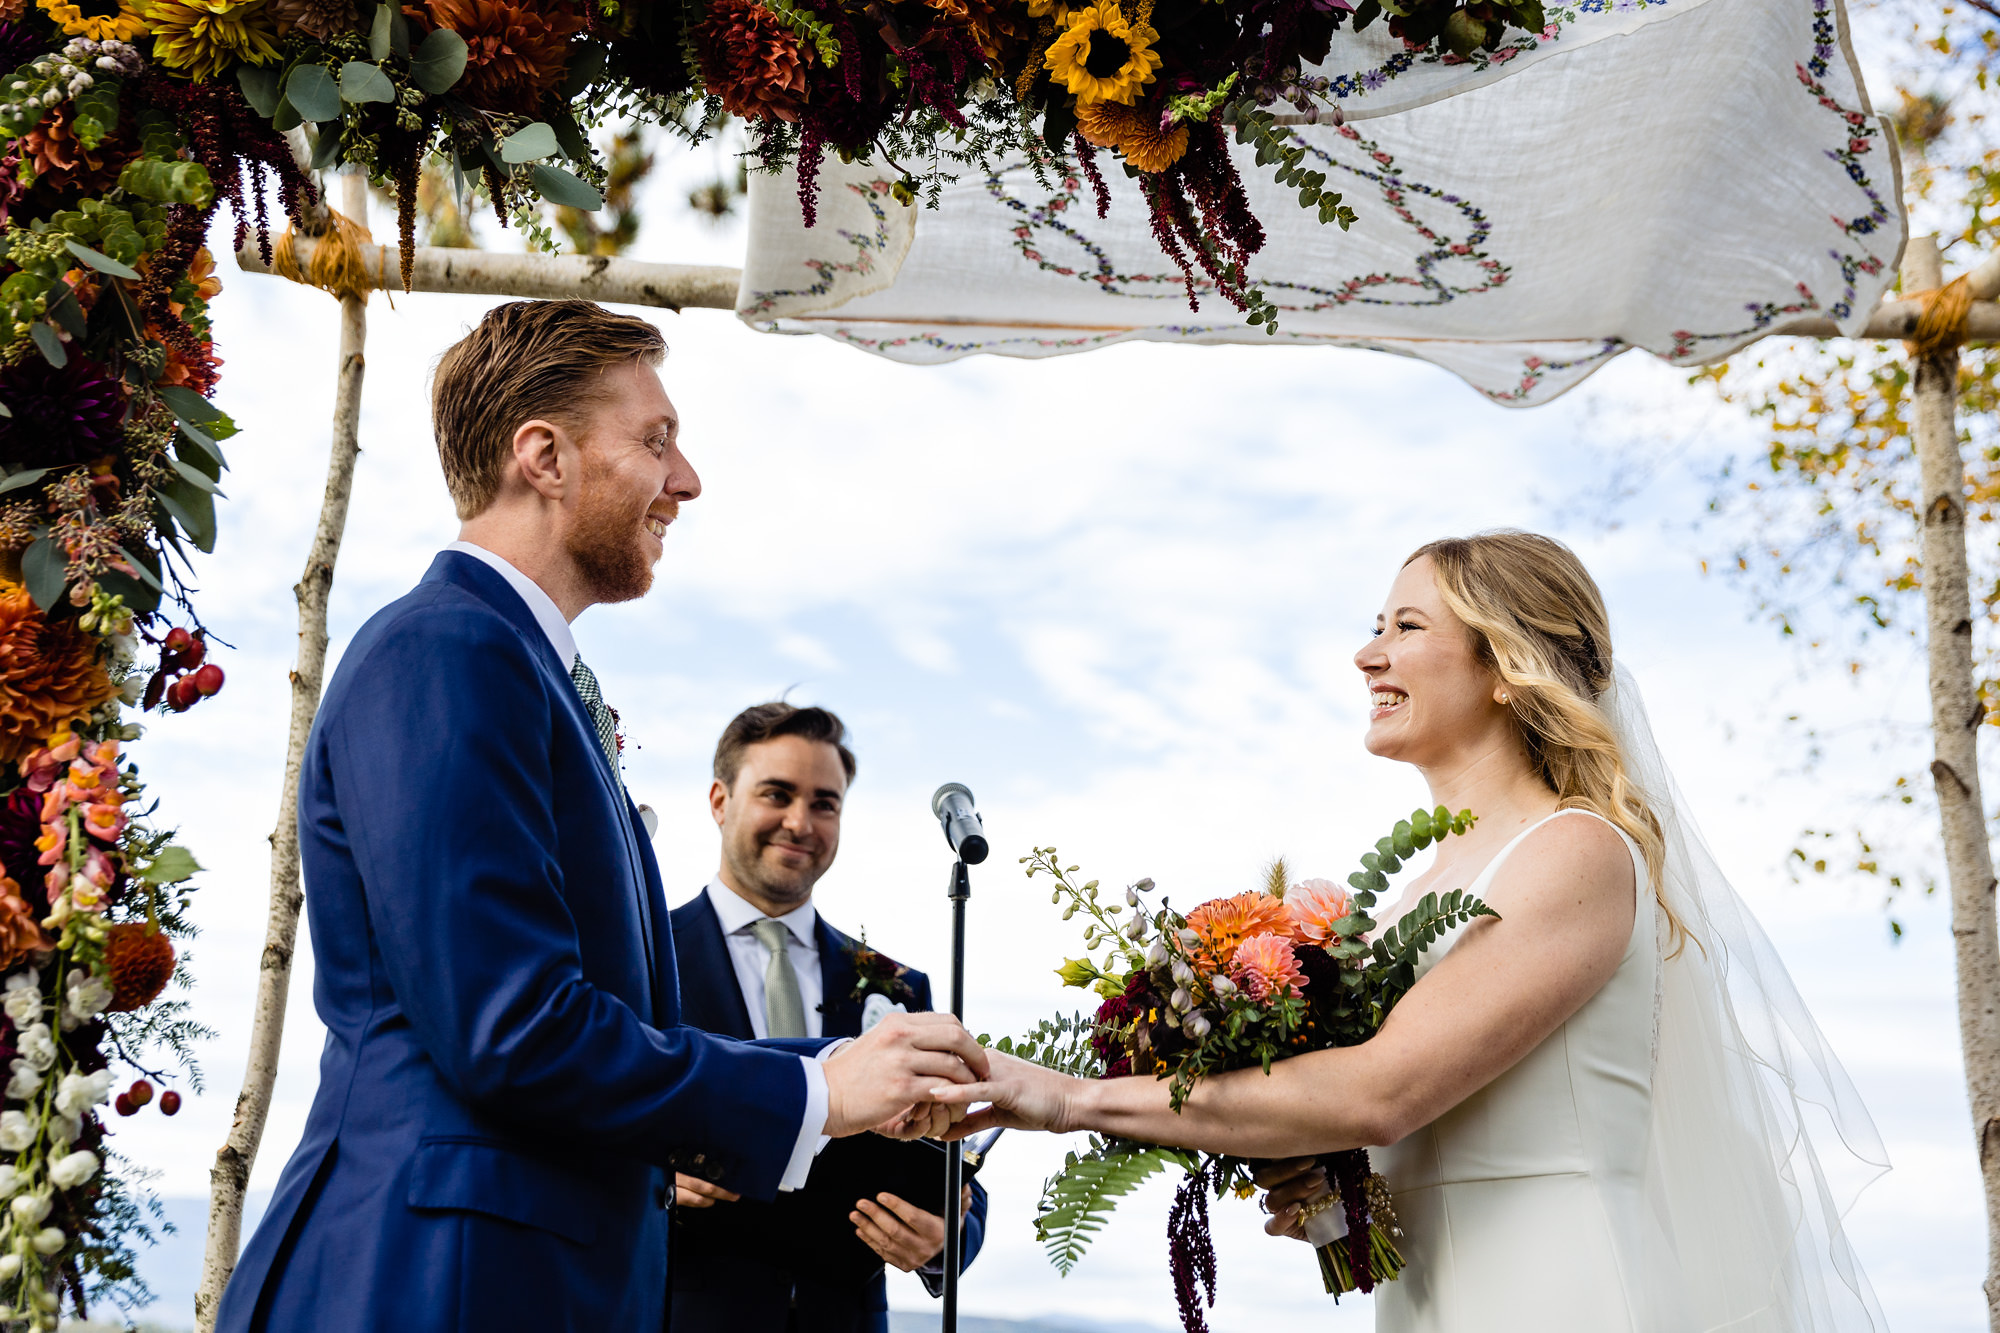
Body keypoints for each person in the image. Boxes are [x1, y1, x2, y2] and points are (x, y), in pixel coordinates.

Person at [213, 300, 986, 1333]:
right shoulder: (446, 650)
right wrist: (820, 1097)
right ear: (544, 456)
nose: (686, 479)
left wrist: (849, 1069)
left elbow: (632, 1029)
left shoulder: (523, 668)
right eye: (655, 440)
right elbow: (513, 1028)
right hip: (438, 1277)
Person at [936, 531, 1888, 1333]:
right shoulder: (1403, 896)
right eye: (1374, 626)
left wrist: (1065, 1099)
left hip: (1554, 1286)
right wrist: (1324, 1186)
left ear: (1508, 667)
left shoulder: (1575, 853)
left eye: (1407, 626)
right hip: (1428, 1292)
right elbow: (1388, 1127)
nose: (1367, 654)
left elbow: (1383, 1090)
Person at [668, 701, 988, 1332]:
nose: (799, 822)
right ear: (719, 800)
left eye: (824, 803)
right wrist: (646, 1180)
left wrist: (946, 1239)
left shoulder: (898, 988)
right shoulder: (645, 957)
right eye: (777, 794)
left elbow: (948, 1159)